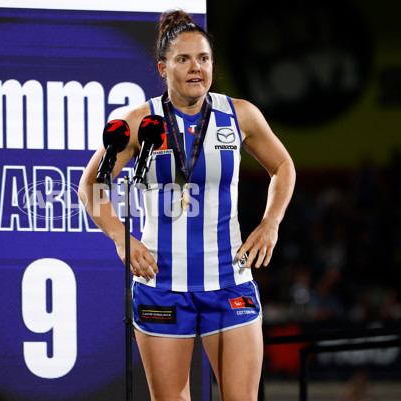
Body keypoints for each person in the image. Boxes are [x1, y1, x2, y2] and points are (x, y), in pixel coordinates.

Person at [78, 9, 295, 401]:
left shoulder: (239, 115)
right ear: (162, 67)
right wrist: (121, 239)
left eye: (204, 58)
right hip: (161, 285)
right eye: (183, 59)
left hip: (230, 281)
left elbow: (283, 165)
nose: (196, 67)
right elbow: (91, 185)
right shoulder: (136, 123)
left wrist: (271, 222)